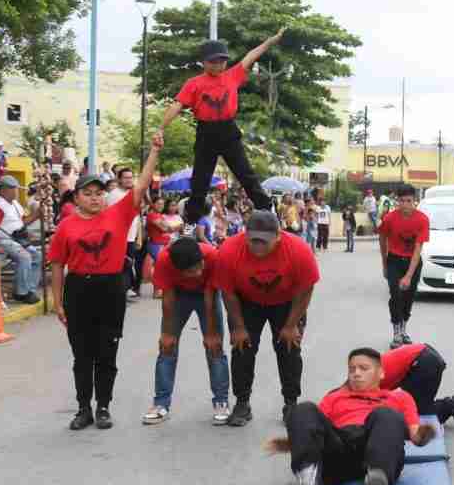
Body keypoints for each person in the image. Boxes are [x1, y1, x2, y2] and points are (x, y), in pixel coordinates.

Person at [48, 137, 161, 430]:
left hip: (110, 288)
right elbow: (58, 265)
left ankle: (103, 407)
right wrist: (58, 302)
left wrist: (154, 152)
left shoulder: (118, 214)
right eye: (88, 193)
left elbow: (140, 185)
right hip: (78, 290)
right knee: (82, 354)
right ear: (76, 198)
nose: (95, 198)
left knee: (107, 352)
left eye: (99, 192)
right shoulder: (66, 226)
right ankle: (83, 407)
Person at [272, 347, 437, 485]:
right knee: (303, 409)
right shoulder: (334, 398)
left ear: (381, 373)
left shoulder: (400, 398)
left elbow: (415, 436)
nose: (356, 374)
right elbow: (314, 429)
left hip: (378, 449)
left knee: (386, 414)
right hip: (340, 451)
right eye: (352, 369)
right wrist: (292, 441)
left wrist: (423, 435)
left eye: (363, 368)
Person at [154, 33, 285, 230]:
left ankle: (267, 209)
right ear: (204, 62)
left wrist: (270, 41)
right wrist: (161, 128)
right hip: (206, 132)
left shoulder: (233, 75)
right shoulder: (194, 83)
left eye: (222, 61)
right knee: (200, 180)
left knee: (245, 173)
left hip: (228, 130)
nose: (218, 65)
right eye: (213, 62)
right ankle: (191, 220)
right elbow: (177, 105)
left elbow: (252, 55)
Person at [217, 210, 319, 427]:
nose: (257, 246)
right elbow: (228, 292)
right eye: (252, 240)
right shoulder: (229, 250)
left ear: (278, 236)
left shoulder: (299, 250)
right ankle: (242, 403)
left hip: (287, 303)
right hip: (247, 302)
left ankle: (291, 404)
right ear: (245, 235)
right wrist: (238, 326)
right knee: (242, 348)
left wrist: (291, 325)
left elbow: (305, 289)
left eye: (263, 242)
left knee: (289, 349)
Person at [141, 238, 231, 426]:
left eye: (200, 267)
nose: (198, 273)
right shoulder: (165, 260)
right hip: (178, 295)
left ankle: (221, 401)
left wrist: (212, 333)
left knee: (214, 347)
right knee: (167, 347)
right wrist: (167, 332)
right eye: (191, 271)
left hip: (207, 295)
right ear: (178, 268)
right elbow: (167, 297)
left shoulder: (213, 256)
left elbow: (211, 296)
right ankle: (161, 404)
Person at [379, 184, 430, 348]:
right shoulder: (389, 218)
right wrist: (384, 263)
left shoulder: (422, 219)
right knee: (395, 295)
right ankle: (397, 331)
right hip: (394, 259)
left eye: (409, 201)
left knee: (408, 297)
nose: (405, 205)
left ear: (415, 201)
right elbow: (382, 238)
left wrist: (408, 275)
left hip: (412, 262)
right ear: (397, 201)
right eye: (402, 201)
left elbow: (417, 249)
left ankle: (404, 328)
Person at [0, 176, 42, 305]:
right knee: (25, 257)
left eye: (15, 188)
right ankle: (21, 292)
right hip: (4, 240)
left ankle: (30, 289)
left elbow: (23, 221)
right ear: (2, 189)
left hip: (18, 238)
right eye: (11, 188)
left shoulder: (15, 204)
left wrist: (36, 214)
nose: (15, 191)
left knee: (37, 256)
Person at [107, 166, 143, 301]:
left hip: (131, 237)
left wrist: (139, 236)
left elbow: (137, 217)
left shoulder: (133, 194)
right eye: (126, 178)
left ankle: (124, 292)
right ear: (119, 179)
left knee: (128, 264)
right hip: (118, 237)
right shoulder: (114, 195)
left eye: (131, 177)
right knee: (121, 265)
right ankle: (118, 294)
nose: (129, 180)